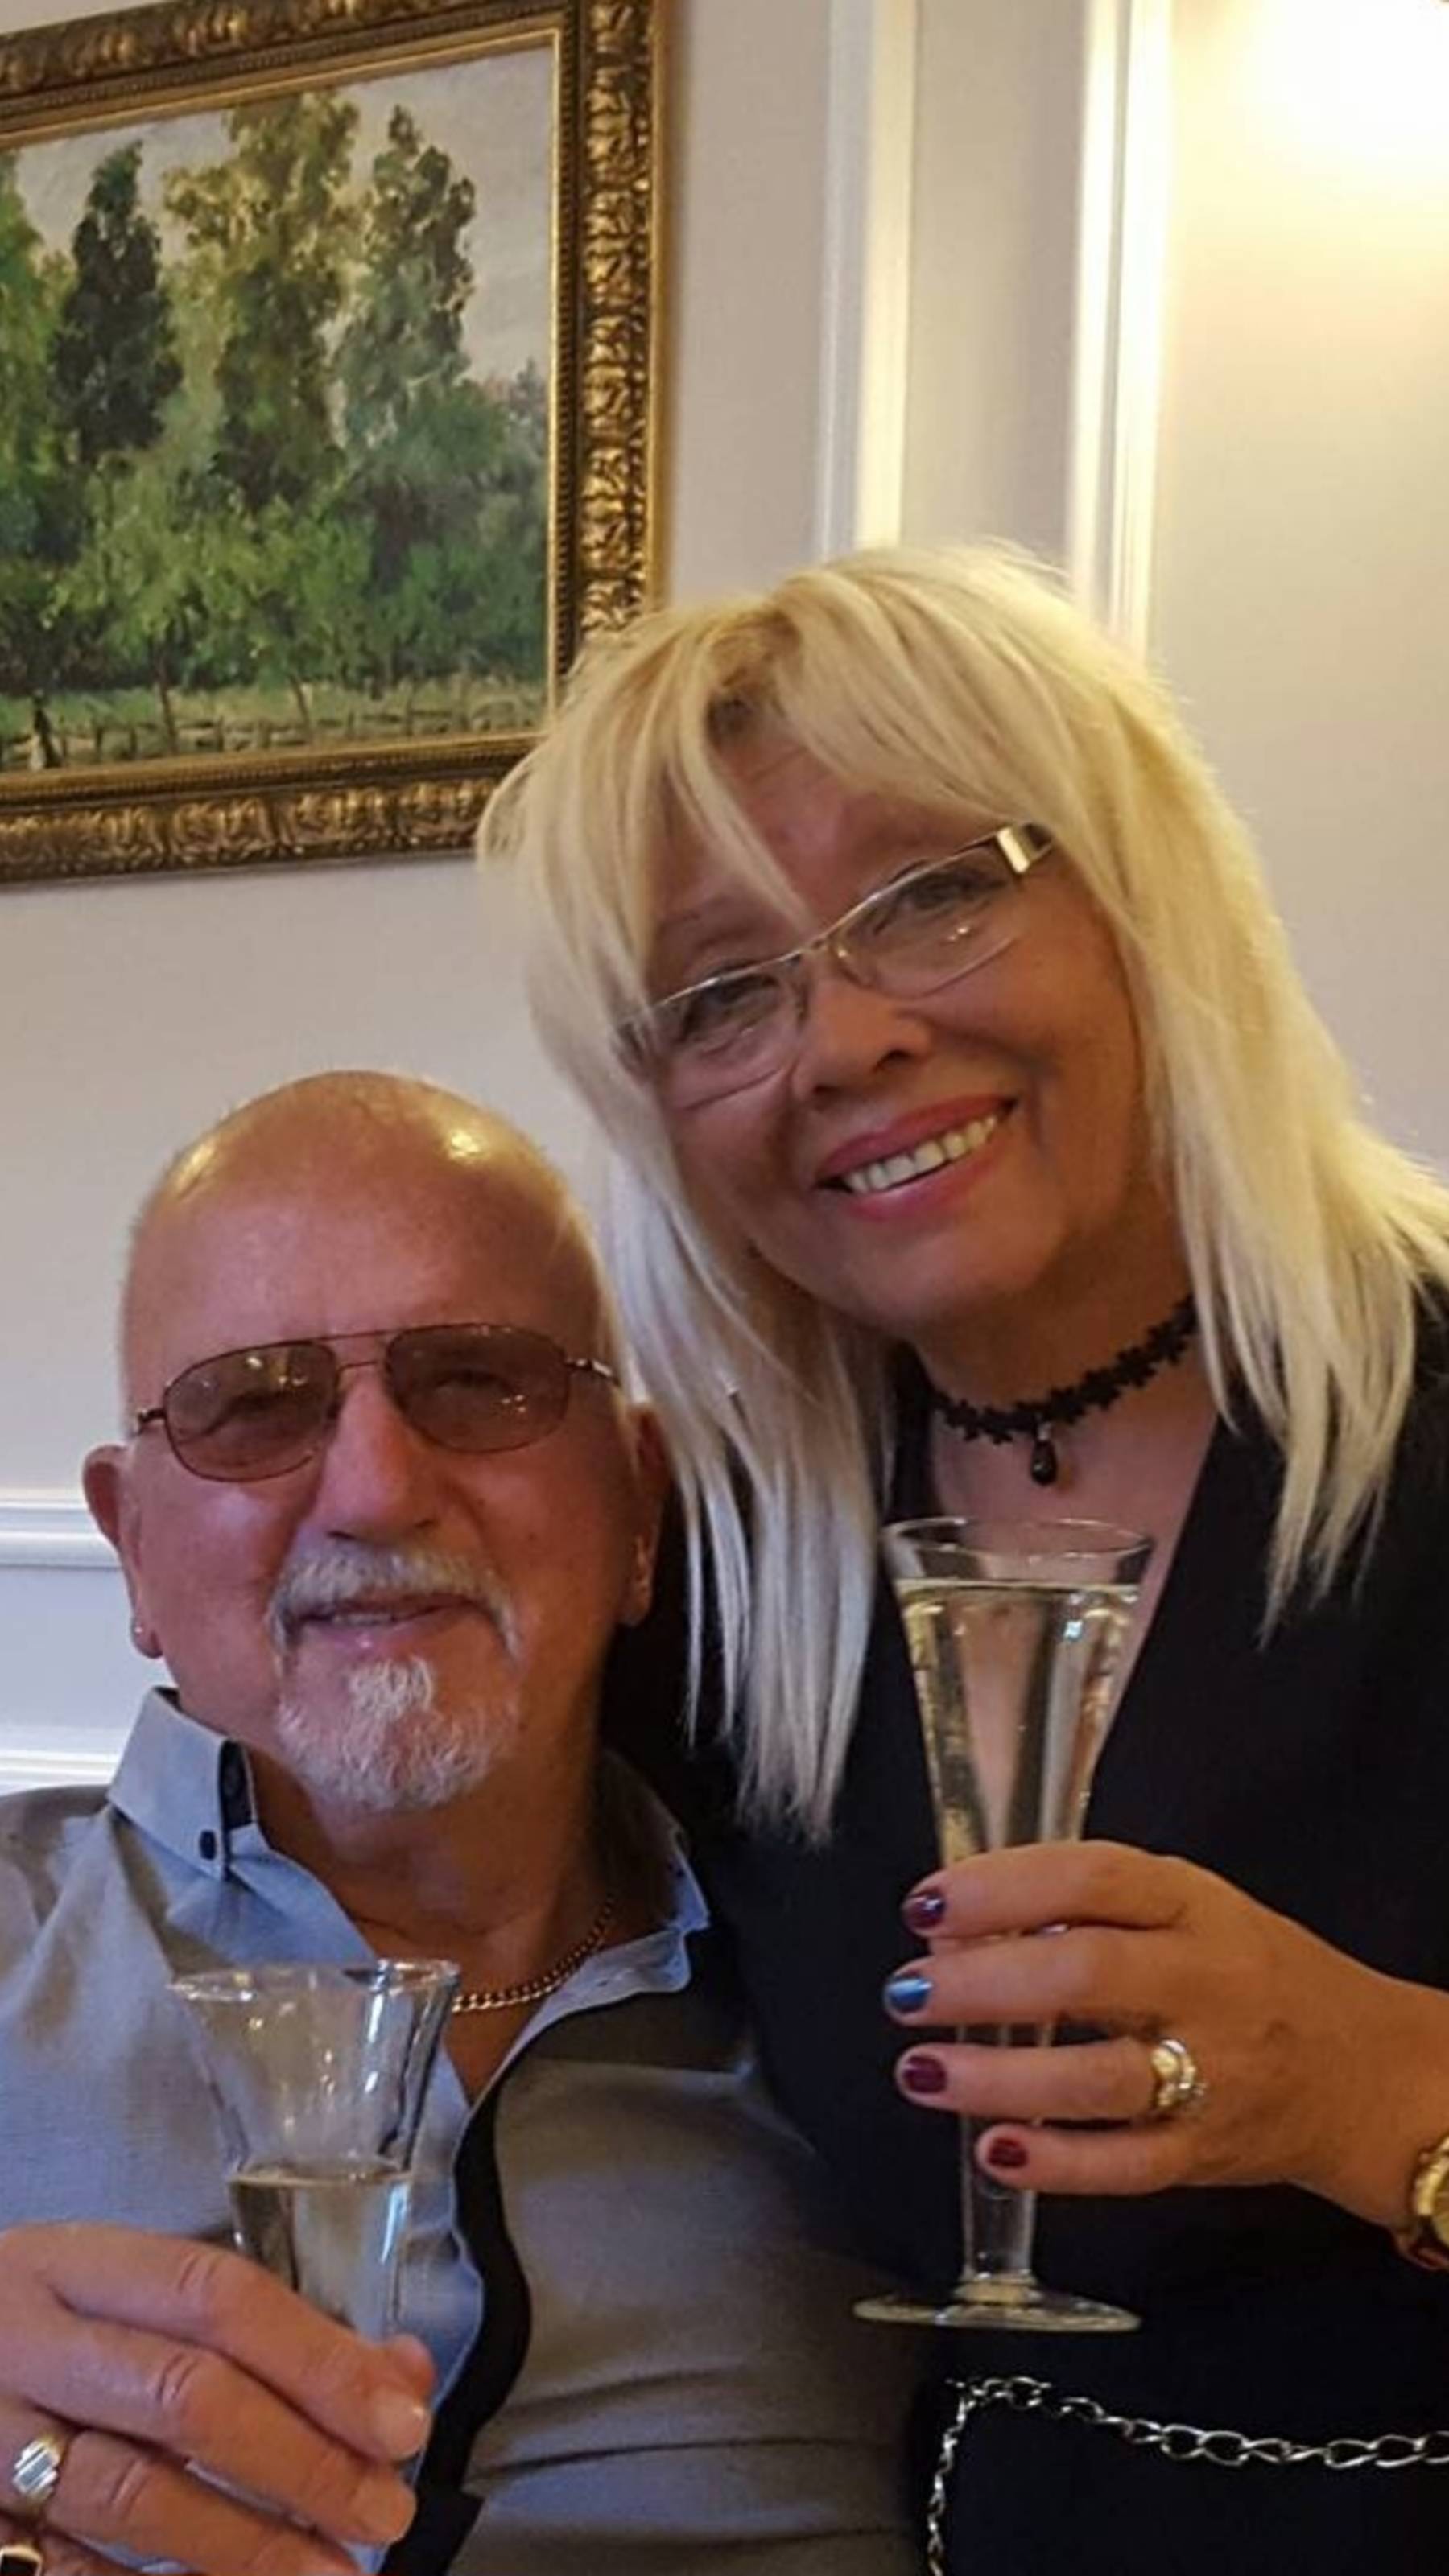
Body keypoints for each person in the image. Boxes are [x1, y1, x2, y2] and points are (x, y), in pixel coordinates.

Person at [485, 544, 1449, 2571]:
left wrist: (1380, 2091)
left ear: (1145, 891)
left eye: (932, 891)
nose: (840, 1040)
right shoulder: (716, 1564)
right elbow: (319, 1868)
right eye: (720, 994)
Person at [0, 1070, 923, 2576]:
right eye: (255, 1405)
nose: (374, 1489)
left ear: (637, 1507)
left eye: (480, 1381)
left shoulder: (866, 2018)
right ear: (133, 1547)